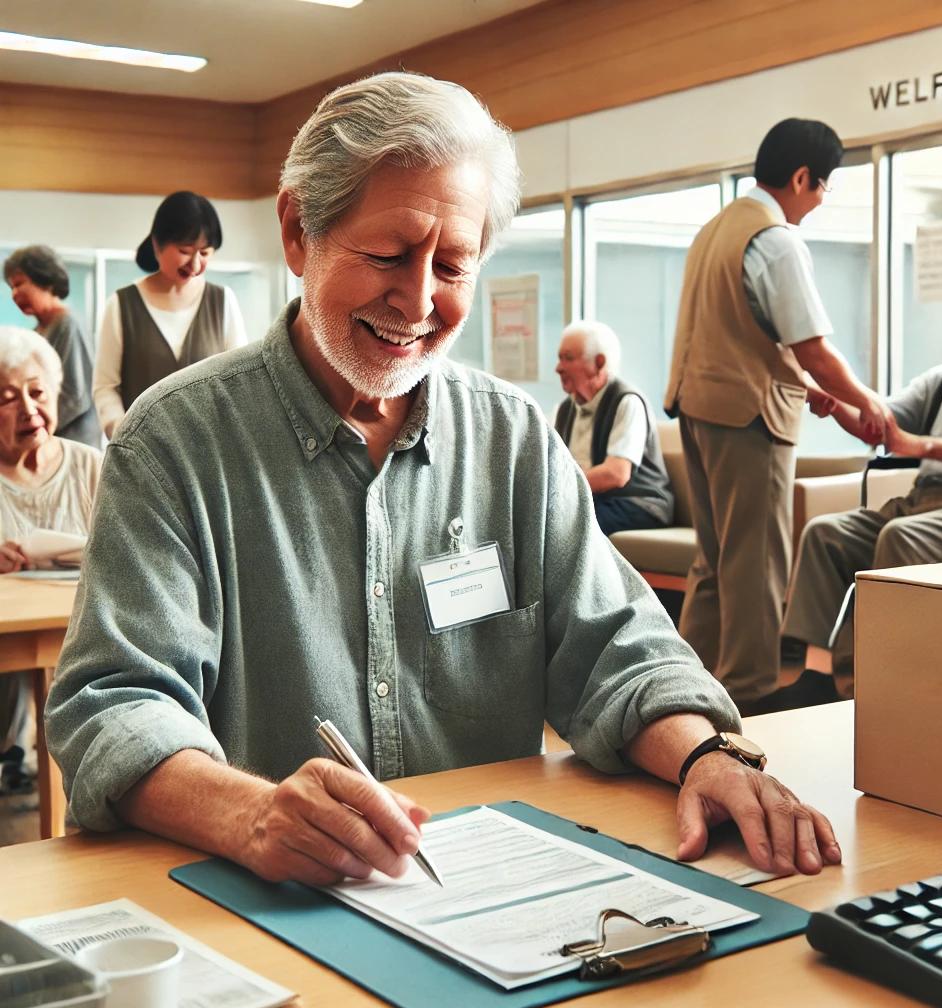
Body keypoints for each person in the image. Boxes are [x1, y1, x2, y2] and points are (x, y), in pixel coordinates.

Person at [47, 73, 840, 885]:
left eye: (454, 266)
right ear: (297, 231)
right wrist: (248, 813)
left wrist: (706, 755)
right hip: (264, 902)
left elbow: (619, 648)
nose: (418, 300)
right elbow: (114, 704)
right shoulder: (174, 442)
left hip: (487, 892)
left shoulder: (515, 440)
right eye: (389, 254)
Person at [663, 118, 892, 710]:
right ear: (800, 178)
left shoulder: (717, 228)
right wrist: (868, 400)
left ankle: (684, 689)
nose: (818, 202)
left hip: (698, 405)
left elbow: (751, 335)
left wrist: (813, 388)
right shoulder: (776, 238)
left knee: (714, 562)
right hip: (748, 416)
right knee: (756, 562)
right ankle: (750, 692)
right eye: (823, 188)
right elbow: (811, 345)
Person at [769, 267, 942, 711]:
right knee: (825, 533)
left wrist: (921, 444)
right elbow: (881, 424)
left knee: (898, 537)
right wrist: (833, 402)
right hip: (920, 501)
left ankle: (872, 684)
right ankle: (818, 674)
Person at [0, 326, 102, 793]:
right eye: (7, 398)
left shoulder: (92, 465)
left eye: (37, 392)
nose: (28, 409)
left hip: (82, 627)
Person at [92, 191, 248, 439]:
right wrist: (122, 433)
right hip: (142, 452)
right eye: (185, 251)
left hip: (209, 451)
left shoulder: (223, 301)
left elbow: (239, 381)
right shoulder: (121, 305)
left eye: (205, 253)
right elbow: (106, 387)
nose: (195, 265)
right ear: (157, 244)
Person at [554, 320, 673, 534]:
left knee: (565, 526)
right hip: (596, 499)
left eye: (568, 358)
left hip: (640, 503)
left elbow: (616, 474)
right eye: (559, 358)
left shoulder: (627, 401)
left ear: (599, 363)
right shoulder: (565, 409)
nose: (558, 368)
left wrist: (559, 490)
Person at [4, 246, 101, 448]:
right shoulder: (38, 331)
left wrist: (34, 424)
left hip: (72, 445)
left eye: (20, 284)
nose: (14, 294)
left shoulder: (67, 324)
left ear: (45, 281)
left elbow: (75, 395)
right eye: (11, 287)